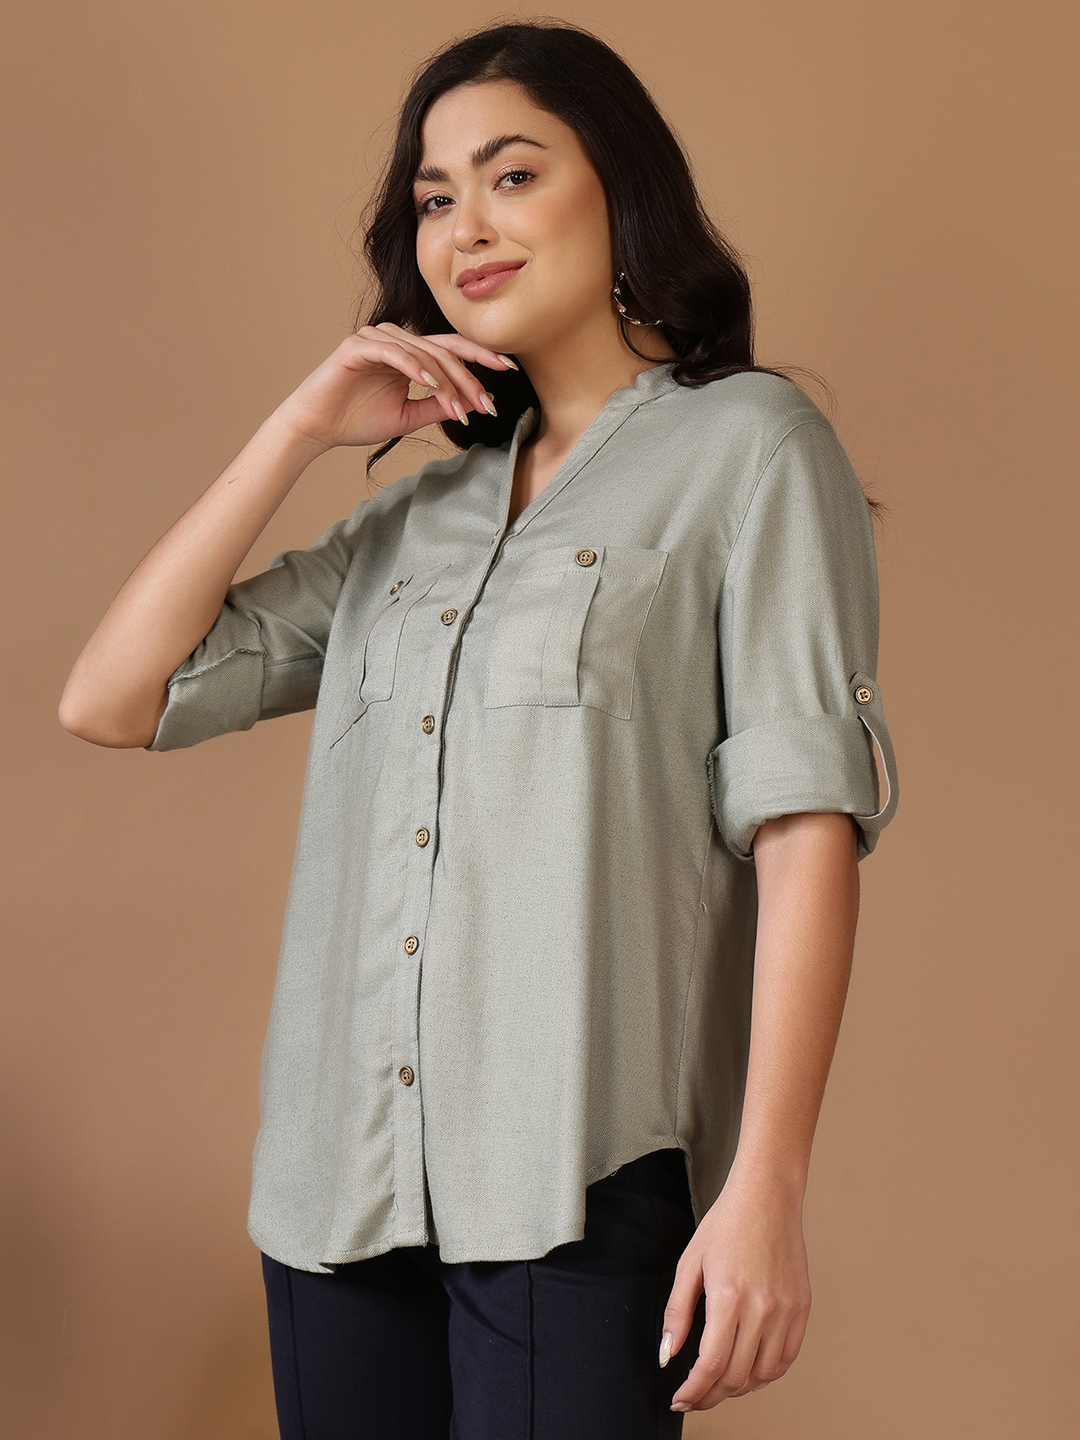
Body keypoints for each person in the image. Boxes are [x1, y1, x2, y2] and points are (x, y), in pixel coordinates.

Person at [59, 19, 899, 1439]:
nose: (466, 227)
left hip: (572, 1176)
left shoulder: (752, 449)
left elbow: (805, 824)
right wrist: (296, 431)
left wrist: (767, 1182)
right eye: (435, 198)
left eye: (512, 175)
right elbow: (109, 698)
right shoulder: (414, 518)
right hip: (340, 1190)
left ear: (619, 189)